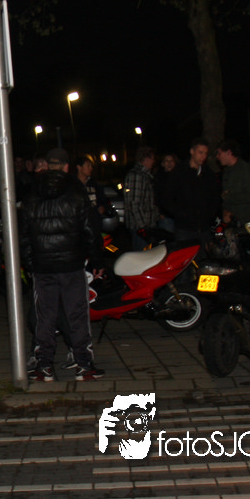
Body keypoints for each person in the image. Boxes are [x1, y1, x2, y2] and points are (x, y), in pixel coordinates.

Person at [19, 148, 103, 382]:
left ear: (47, 165)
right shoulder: (76, 190)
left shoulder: (32, 192)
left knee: (45, 316)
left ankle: (43, 365)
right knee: (77, 314)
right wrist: (96, 258)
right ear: (67, 167)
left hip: (43, 265)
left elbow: (23, 234)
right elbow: (90, 228)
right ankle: (83, 365)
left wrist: (30, 263)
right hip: (71, 263)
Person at [163, 138, 221, 245]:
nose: (203, 156)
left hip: (204, 228)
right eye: (200, 153)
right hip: (184, 229)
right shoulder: (179, 172)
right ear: (192, 151)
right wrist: (181, 214)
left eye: (205, 153)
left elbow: (215, 197)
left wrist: (209, 215)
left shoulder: (208, 174)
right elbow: (167, 198)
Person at [216, 139, 250, 225]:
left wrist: (227, 197)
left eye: (219, 153)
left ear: (229, 153)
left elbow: (248, 196)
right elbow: (226, 195)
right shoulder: (227, 172)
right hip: (236, 221)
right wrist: (225, 211)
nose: (217, 157)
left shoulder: (245, 170)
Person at [123, 146, 159, 250]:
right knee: (142, 253)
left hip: (147, 224)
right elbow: (134, 202)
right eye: (152, 159)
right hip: (140, 227)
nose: (154, 162)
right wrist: (143, 226)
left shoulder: (146, 175)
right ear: (146, 159)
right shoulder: (137, 176)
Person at [155, 153, 177, 233]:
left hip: (179, 217)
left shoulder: (180, 177)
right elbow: (156, 197)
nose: (169, 163)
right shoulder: (159, 178)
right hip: (166, 217)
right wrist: (160, 213)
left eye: (171, 161)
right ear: (163, 164)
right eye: (167, 161)